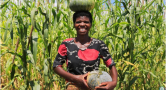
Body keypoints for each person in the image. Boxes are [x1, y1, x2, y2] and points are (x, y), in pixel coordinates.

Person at [53, 10, 117, 90]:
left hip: (93, 87)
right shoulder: (66, 44)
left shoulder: (99, 44)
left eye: (86, 22)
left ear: (90, 24)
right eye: (78, 22)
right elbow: (56, 66)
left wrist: (113, 83)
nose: (82, 24)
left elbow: (111, 65)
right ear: (74, 24)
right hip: (73, 86)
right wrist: (76, 78)